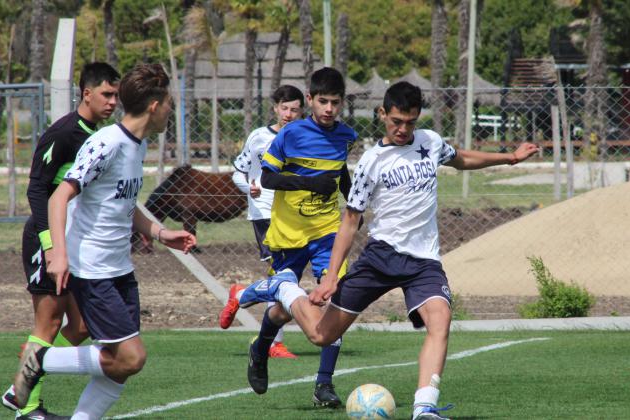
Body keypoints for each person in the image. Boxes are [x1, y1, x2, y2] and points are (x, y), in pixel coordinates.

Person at [232, 81, 539, 420]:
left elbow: (461, 158)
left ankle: (424, 408)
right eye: (395, 121)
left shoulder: (430, 142)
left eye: (409, 122)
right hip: (379, 258)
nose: (402, 129)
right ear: (382, 114)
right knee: (321, 334)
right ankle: (284, 288)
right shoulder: (371, 162)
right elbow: (350, 221)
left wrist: (509, 157)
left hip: (423, 261)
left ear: (417, 117)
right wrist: (331, 277)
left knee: (441, 318)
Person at [10, 63, 196, 419]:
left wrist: (158, 232)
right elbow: (58, 197)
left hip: (120, 269)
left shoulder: (137, 145)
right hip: (92, 270)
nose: (172, 110)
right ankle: (39, 360)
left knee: (120, 365)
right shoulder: (107, 142)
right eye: (170, 103)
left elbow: (123, 203)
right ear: (155, 106)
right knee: (132, 357)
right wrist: (58, 255)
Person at [219, 67, 357, 407]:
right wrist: (310, 184)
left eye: (335, 103)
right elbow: (267, 178)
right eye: (322, 101)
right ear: (309, 99)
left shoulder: (345, 135)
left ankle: (324, 385)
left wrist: (355, 203)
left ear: (342, 103)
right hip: (289, 232)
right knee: (281, 310)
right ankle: (261, 346)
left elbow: (339, 170)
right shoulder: (291, 134)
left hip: (326, 233)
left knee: (333, 300)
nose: (328, 109)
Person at [0, 62, 120, 420]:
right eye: (107, 94)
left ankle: (23, 376)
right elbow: (37, 189)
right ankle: (28, 406)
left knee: (82, 325)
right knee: (49, 323)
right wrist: (49, 243)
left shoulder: (99, 135)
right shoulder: (64, 133)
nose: (114, 102)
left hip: (76, 240)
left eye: (116, 95)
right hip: (47, 240)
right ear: (87, 93)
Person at [224, 85, 306, 360]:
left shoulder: (306, 136)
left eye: (295, 109)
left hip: (297, 212)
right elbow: (238, 172)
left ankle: (242, 293)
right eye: (284, 108)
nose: (289, 114)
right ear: (275, 108)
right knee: (282, 274)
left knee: (287, 275)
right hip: (265, 212)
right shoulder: (258, 137)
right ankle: (274, 343)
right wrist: (250, 188)